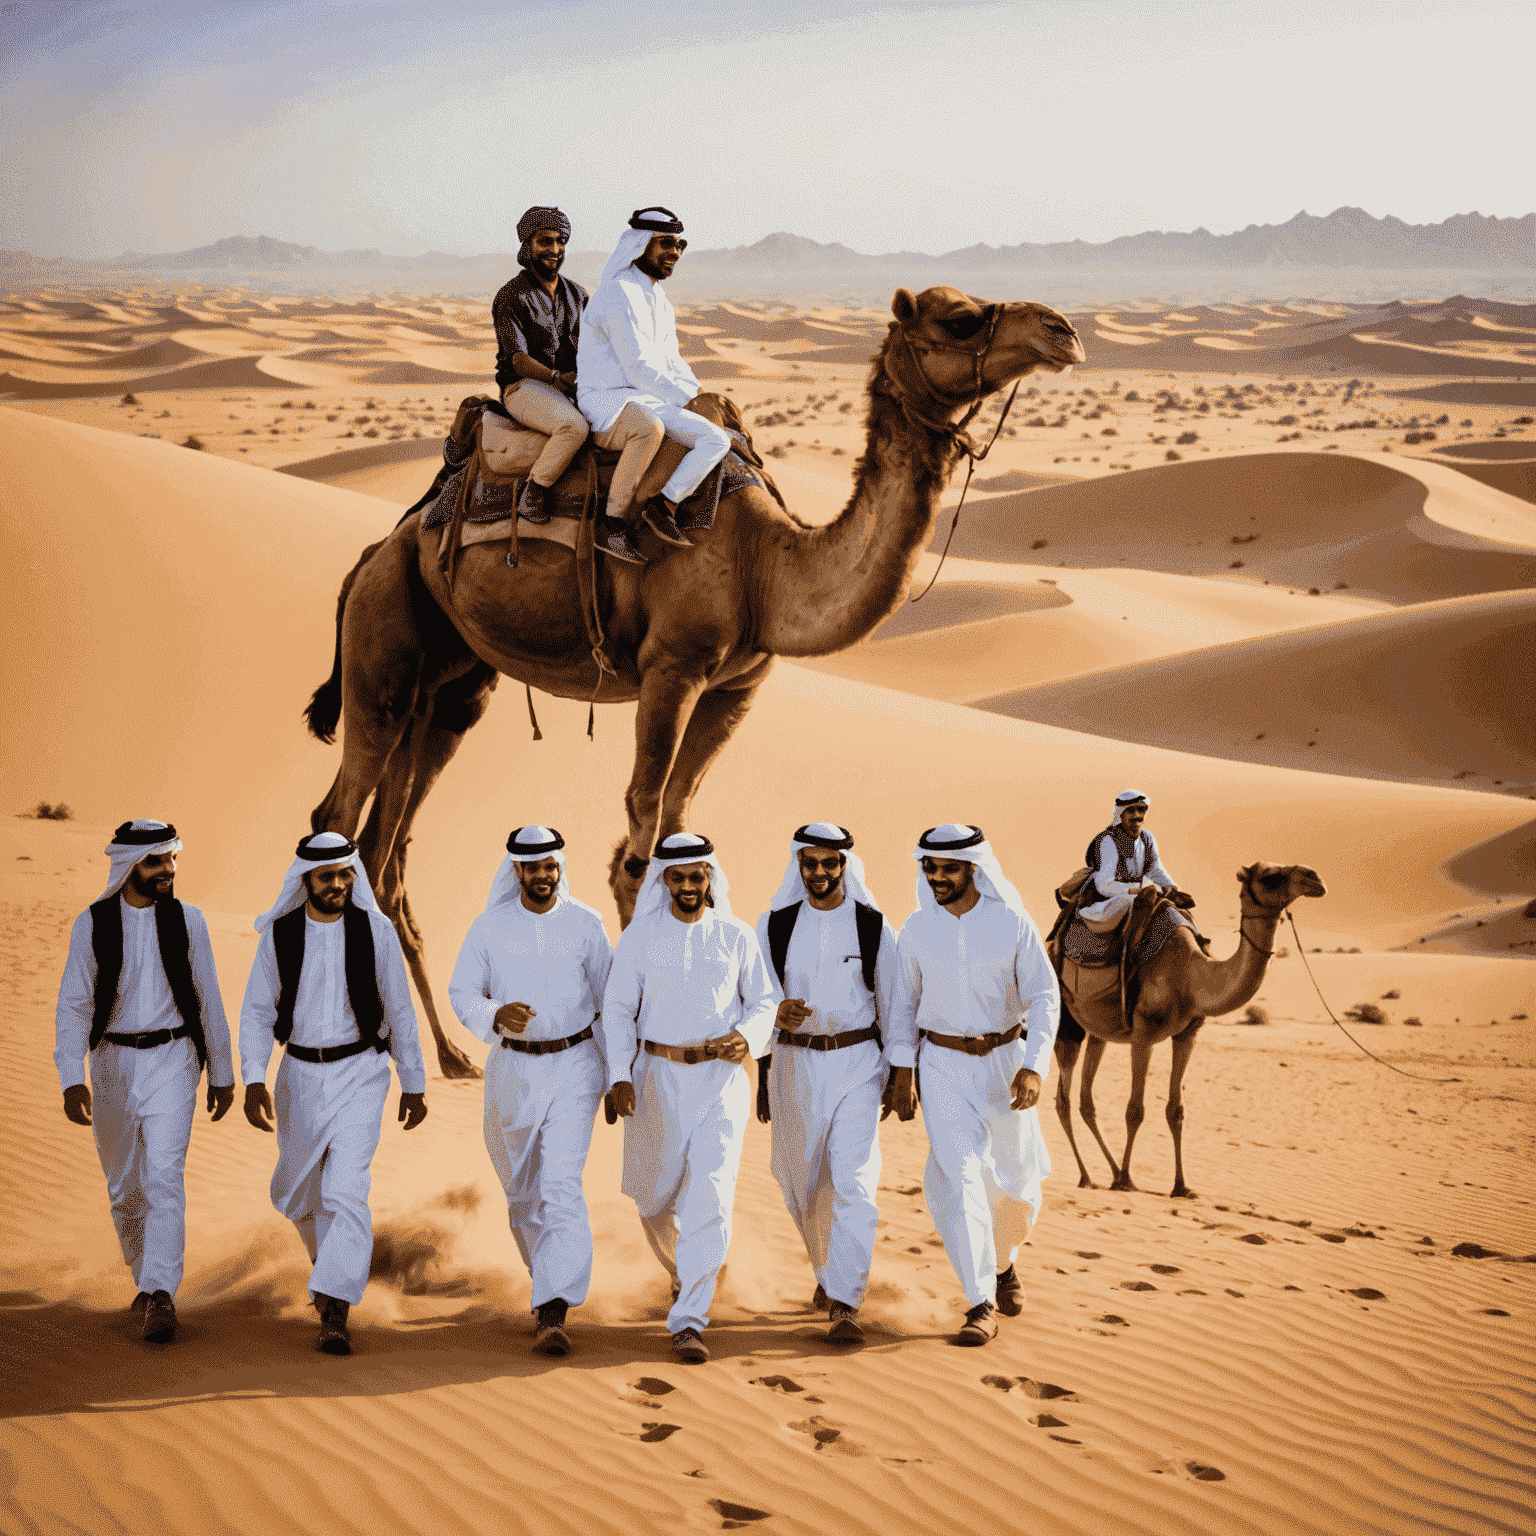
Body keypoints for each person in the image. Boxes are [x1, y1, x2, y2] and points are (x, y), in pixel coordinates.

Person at [239, 832, 427, 1355]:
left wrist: (413, 1081)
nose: (339, 883)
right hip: (298, 1074)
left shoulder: (377, 930)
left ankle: (336, 1307)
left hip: (362, 1072)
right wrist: (254, 1076)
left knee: (345, 1189)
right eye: (328, 876)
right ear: (306, 879)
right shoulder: (279, 935)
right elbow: (256, 1010)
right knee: (297, 1194)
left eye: (346, 873)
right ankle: (332, 1275)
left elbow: (400, 1009)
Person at [53, 819, 236, 1344]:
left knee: (163, 1178)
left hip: (174, 1059)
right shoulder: (91, 924)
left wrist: (222, 1073)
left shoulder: (189, 921)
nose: (168, 871)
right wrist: (72, 1078)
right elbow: (73, 1005)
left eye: (173, 859)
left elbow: (209, 998)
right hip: (111, 1061)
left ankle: (160, 1294)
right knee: (124, 1189)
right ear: (128, 866)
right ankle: (144, 1280)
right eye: (157, 862)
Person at [601, 833, 776, 1363]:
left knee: (711, 1194)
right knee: (652, 1198)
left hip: (721, 1082)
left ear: (709, 880)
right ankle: (687, 1270)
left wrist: (747, 1036)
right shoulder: (639, 938)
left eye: (696, 877)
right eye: (676, 877)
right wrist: (619, 1074)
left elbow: (764, 1001)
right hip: (654, 1076)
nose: (687, 886)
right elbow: (615, 1010)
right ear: (663, 882)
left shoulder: (738, 935)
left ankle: (690, 1319)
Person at [886, 825, 1059, 1347]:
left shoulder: (1012, 923)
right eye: (930, 868)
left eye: (948, 868)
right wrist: (903, 1072)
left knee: (1016, 1186)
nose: (937, 877)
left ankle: (1005, 1263)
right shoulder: (916, 930)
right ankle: (980, 1301)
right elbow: (901, 1009)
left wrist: (1034, 1066)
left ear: (973, 869)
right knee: (959, 1178)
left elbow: (1045, 996)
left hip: (1006, 1063)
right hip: (941, 1065)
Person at [448, 825, 613, 1357]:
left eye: (551, 865)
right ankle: (548, 1277)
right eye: (533, 867)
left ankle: (553, 1308)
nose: (544, 875)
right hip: (513, 1071)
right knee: (522, 1193)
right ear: (516, 870)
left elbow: (611, 1003)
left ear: (560, 866)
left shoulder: (587, 924)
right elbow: (461, 991)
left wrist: (617, 1076)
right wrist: (492, 1014)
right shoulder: (489, 927)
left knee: (562, 1184)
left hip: (577, 1065)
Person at [753, 823, 896, 1345]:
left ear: (844, 866)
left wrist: (902, 1073)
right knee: (800, 1179)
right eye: (809, 864)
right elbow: (754, 998)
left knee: (854, 1181)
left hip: (859, 1062)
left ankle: (844, 1300)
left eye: (829, 863)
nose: (819, 873)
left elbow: (895, 1003)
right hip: (794, 1066)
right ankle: (826, 1270)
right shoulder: (773, 926)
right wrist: (774, 1020)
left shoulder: (873, 926)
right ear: (799, 867)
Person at [576, 207, 733, 564]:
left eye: (680, 245)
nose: (674, 253)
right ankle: (611, 524)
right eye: (666, 244)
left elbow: (672, 362)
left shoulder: (659, 300)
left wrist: (700, 396)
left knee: (717, 438)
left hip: (647, 396)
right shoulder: (618, 293)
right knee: (653, 430)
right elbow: (638, 367)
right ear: (640, 245)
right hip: (608, 400)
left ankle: (663, 506)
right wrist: (685, 401)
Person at [492, 206, 591, 526]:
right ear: (527, 245)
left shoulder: (577, 294)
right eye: (545, 241)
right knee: (573, 428)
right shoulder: (512, 296)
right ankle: (535, 490)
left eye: (561, 241)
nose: (555, 250)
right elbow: (518, 359)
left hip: (572, 385)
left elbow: (593, 347)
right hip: (525, 387)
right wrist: (556, 377)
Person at [1077, 789, 1191, 930]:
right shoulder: (1108, 841)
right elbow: (1104, 885)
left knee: (1177, 911)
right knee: (1138, 907)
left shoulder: (1147, 838)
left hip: (1140, 895)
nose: (1137, 815)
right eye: (1131, 810)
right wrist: (1138, 889)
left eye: (1141, 810)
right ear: (1121, 813)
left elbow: (1155, 869)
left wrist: (1172, 889)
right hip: (1109, 900)